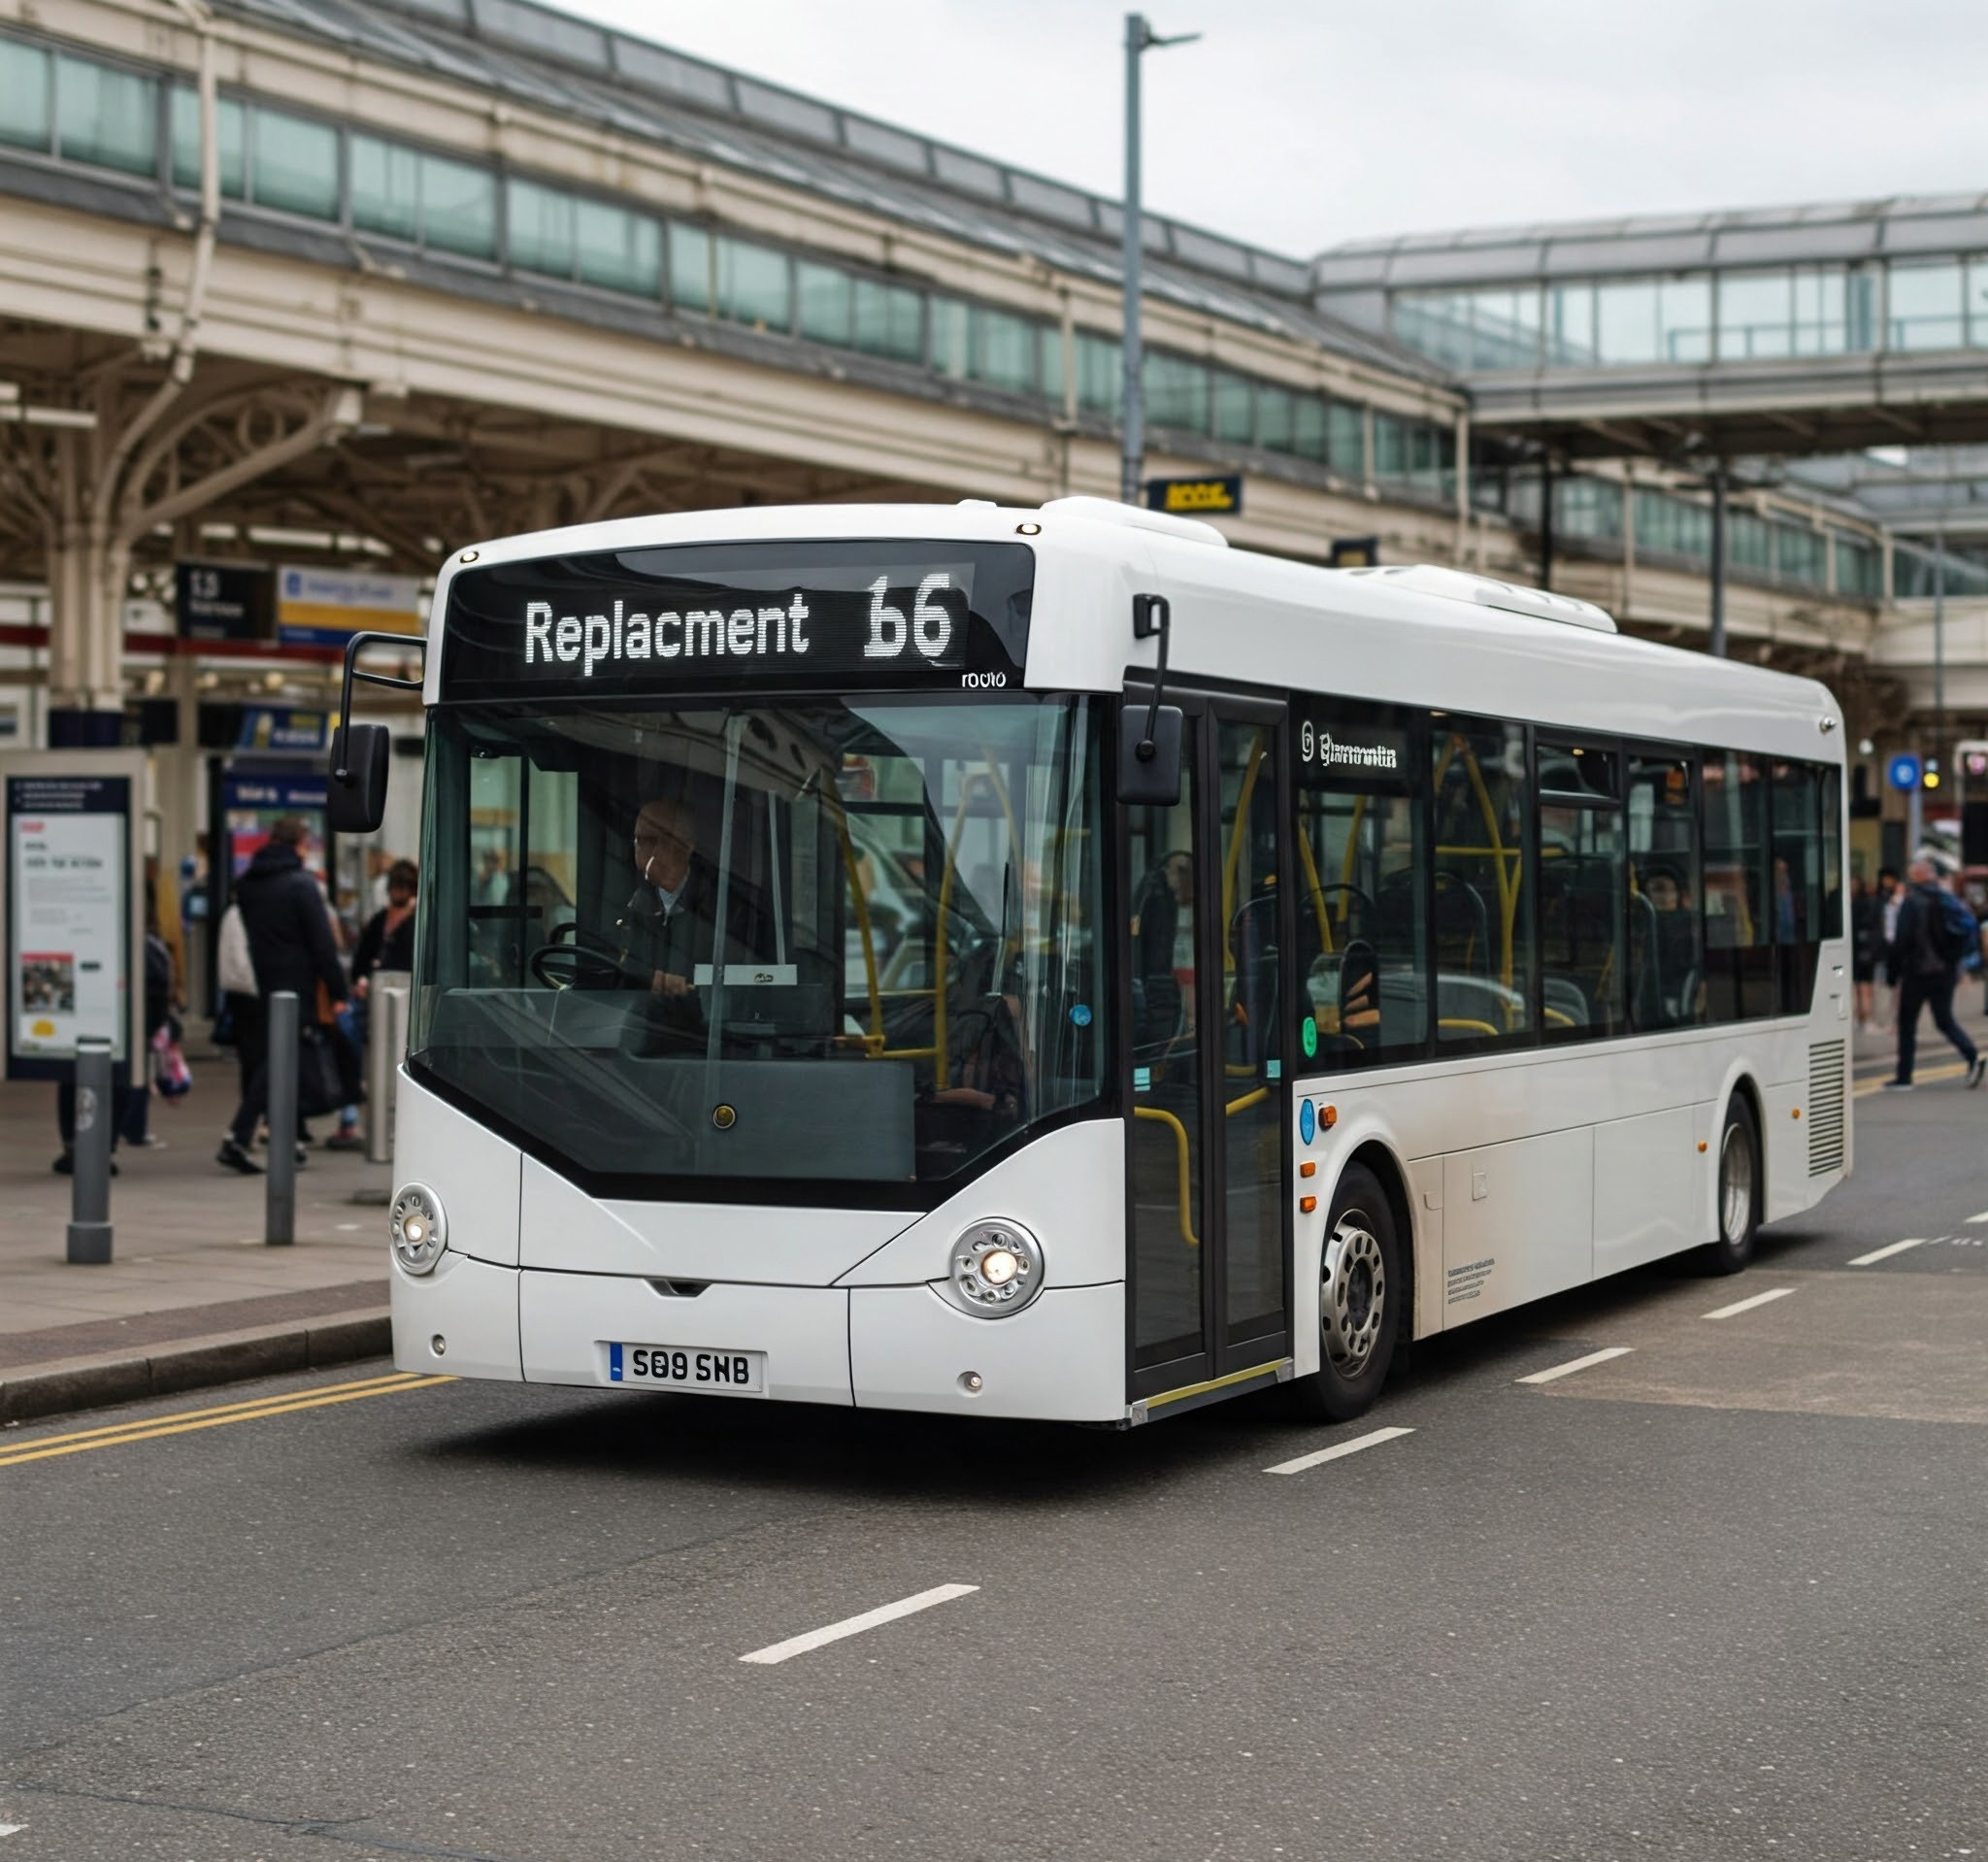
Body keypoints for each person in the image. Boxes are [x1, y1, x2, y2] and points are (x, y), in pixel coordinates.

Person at [217, 816, 350, 1173]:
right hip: (296, 990)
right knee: (279, 1064)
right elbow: (322, 946)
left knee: (272, 1061)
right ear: (299, 845)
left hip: (260, 988)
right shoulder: (301, 886)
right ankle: (238, 1135)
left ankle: (286, 1138)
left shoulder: (248, 885)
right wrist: (339, 991)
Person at [613, 797, 729, 1046]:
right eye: (638, 841)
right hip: (638, 1040)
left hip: (705, 1045)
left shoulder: (722, 907)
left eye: (653, 841)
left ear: (687, 846)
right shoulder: (627, 901)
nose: (643, 851)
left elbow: (735, 981)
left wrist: (688, 984)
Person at [323, 858, 418, 1150]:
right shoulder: (381, 920)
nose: (398, 895)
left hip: (399, 1000)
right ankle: (353, 1111)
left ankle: (377, 1119)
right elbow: (362, 959)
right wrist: (362, 981)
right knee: (350, 1046)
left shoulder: (416, 923)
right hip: (371, 997)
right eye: (395, 888)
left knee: (389, 1061)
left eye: (403, 889)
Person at [1884, 855, 1985, 1092]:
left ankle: (1904, 1077)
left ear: (1919, 875)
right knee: (1944, 1019)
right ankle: (1972, 1055)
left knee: (1907, 1023)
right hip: (1945, 971)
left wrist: (1893, 971)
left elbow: (1902, 940)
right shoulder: (1946, 898)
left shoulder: (1912, 901)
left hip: (1917, 972)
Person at [1850, 876, 1883, 1031]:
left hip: (1859, 950)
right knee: (1862, 986)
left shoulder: (1857, 904)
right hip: (1862, 950)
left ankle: (1863, 1017)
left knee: (1862, 986)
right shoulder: (1865, 904)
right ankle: (1864, 1017)